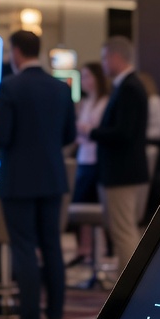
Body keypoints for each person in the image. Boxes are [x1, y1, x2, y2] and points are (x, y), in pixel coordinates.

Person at [0, 31, 77, 319]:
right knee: (52, 246)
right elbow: (69, 135)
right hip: (52, 177)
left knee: (24, 248)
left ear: (16, 52)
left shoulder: (10, 86)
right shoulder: (60, 87)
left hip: (19, 179)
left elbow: (1, 136)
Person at [90, 36, 149, 272]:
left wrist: (91, 132)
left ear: (115, 57)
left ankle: (130, 284)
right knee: (124, 230)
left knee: (123, 232)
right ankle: (128, 281)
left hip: (122, 173)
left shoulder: (129, 88)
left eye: (104, 58)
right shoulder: (128, 86)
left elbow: (123, 133)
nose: (103, 64)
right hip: (123, 171)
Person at [69, 61, 109, 267]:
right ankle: (84, 249)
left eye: (87, 76)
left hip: (98, 159)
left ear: (97, 78)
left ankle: (98, 250)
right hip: (83, 157)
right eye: (82, 77)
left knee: (93, 205)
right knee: (80, 203)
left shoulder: (105, 102)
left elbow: (100, 131)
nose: (84, 81)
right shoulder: (84, 102)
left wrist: (87, 129)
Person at [137, 70, 160, 224]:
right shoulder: (142, 101)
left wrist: (140, 135)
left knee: (152, 180)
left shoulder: (155, 101)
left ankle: (150, 214)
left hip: (153, 145)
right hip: (143, 144)